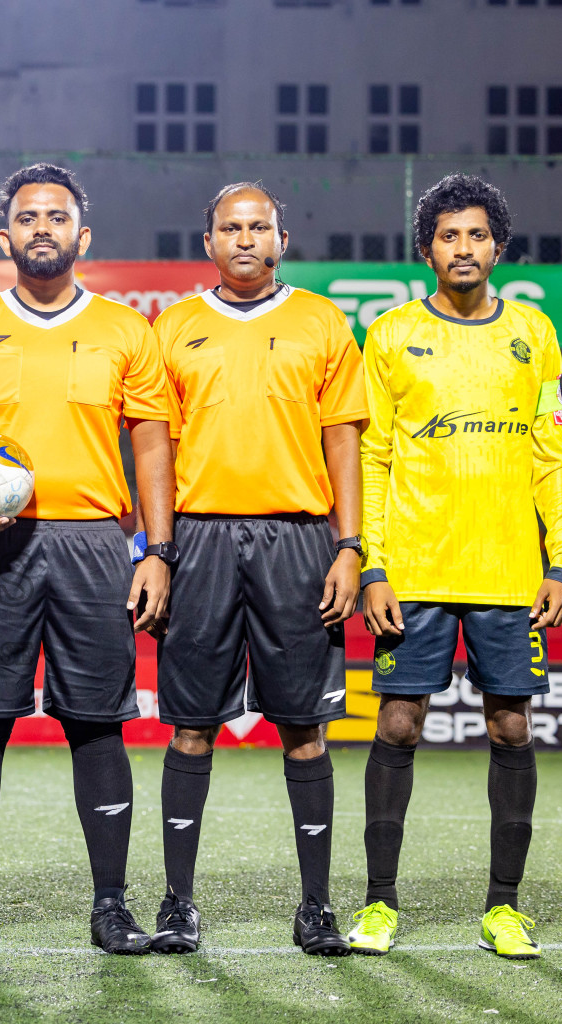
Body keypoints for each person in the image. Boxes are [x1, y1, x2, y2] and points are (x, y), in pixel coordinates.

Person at [0, 163, 176, 954]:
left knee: (97, 726)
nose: (42, 227)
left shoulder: (126, 330)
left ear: (81, 235)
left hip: (95, 544)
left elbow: (153, 445)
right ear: (5, 237)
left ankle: (110, 907)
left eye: (57, 216)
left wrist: (156, 550)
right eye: (27, 217)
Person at [352, 173, 562, 960]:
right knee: (398, 725)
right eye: (449, 235)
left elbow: (552, 454)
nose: (464, 247)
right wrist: (373, 567)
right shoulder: (388, 337)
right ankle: (380, 904)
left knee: (511, 727)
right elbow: (372, 457)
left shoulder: (535, 334)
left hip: (511, 573)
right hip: (411, 572)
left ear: (498, 246)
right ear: (426, 250)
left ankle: (503, 909)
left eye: (477, 234)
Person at [152, 181, 366, 956]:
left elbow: (343, 439)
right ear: (207, 241)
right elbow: (155, 451)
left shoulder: (321, 321)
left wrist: (350, 545)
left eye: (258, 227)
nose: (244, 239)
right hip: (201, 540)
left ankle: (315, 907)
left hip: (299, 541)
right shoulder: (172, 327)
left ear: (282, 237)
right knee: (191, 727)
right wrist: (157, 552)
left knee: (304, 728)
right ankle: (178, 903)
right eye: (229, 228)